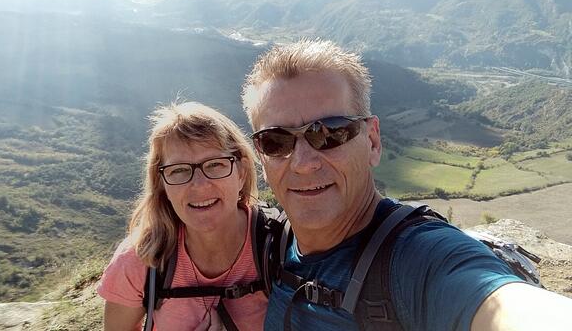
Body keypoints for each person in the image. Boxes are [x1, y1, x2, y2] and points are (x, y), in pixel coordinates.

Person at [240, 39, 572, 330]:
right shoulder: (274, 245)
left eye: (329, 133)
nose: (304, 162)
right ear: (261, 157)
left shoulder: (417, 258)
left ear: (372, 141)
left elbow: (500, 305)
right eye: (275, 141)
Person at [97, 102, 268, 331]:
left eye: (215, 164)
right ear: (162, 185)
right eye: (178, 170)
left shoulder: (277, 248)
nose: (199, 185)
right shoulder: (142, 260)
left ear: (242, 172)